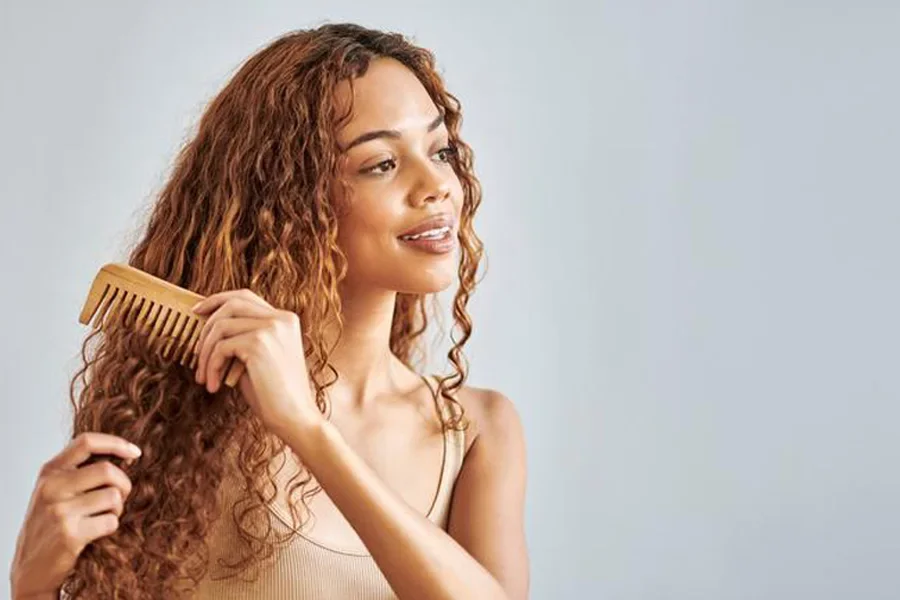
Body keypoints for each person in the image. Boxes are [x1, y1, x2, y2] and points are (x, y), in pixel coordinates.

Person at [9, 23, 528, 600]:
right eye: (382, 163)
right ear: (292, 201)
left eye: (441, 151)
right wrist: (31, 588)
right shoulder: (188, 433)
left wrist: (305, 427)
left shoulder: (478, 432)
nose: (437, 185)